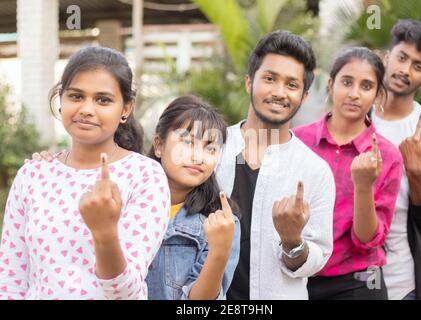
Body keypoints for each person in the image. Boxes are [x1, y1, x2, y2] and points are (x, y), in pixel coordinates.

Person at [0, 47, 170, 300]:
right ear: (61, 100)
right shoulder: (33, 175)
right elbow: (10, 281)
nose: (86, 109)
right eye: (76, 96)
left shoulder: (145, 176)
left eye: (103, 100)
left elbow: (127, 293)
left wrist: (104, 232)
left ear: (126, 109)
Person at [215, 30, 336, 300]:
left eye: (292, 85)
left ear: (303, 96)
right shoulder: (213, 149)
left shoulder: (314, 170)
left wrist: (293, 241)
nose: (279, 92)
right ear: (249, 82)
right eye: (269, 79)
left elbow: (317, 258)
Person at [293, 47, 403, 299]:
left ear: (377, 96)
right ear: (331, 86)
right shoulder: (298, 141)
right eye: (346, 82)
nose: (354, 94)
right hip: (296, 277)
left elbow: (366, 240)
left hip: (357, 284)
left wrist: (363, 186)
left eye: (366, 86)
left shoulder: (388, 156)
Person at [370, 19, 421, 300]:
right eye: (402, 58)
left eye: (418, 66)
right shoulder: (356, 116)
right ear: (387, 57)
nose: (405, 70)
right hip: (347, 281)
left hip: (405, 284)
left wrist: (415, 171)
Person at [145, 95, 240, 300]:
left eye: (211, 148)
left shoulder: (221, 222)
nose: (198, 157)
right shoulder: (126, 201)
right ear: (159, 145)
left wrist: (219, 251)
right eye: (187, 142)